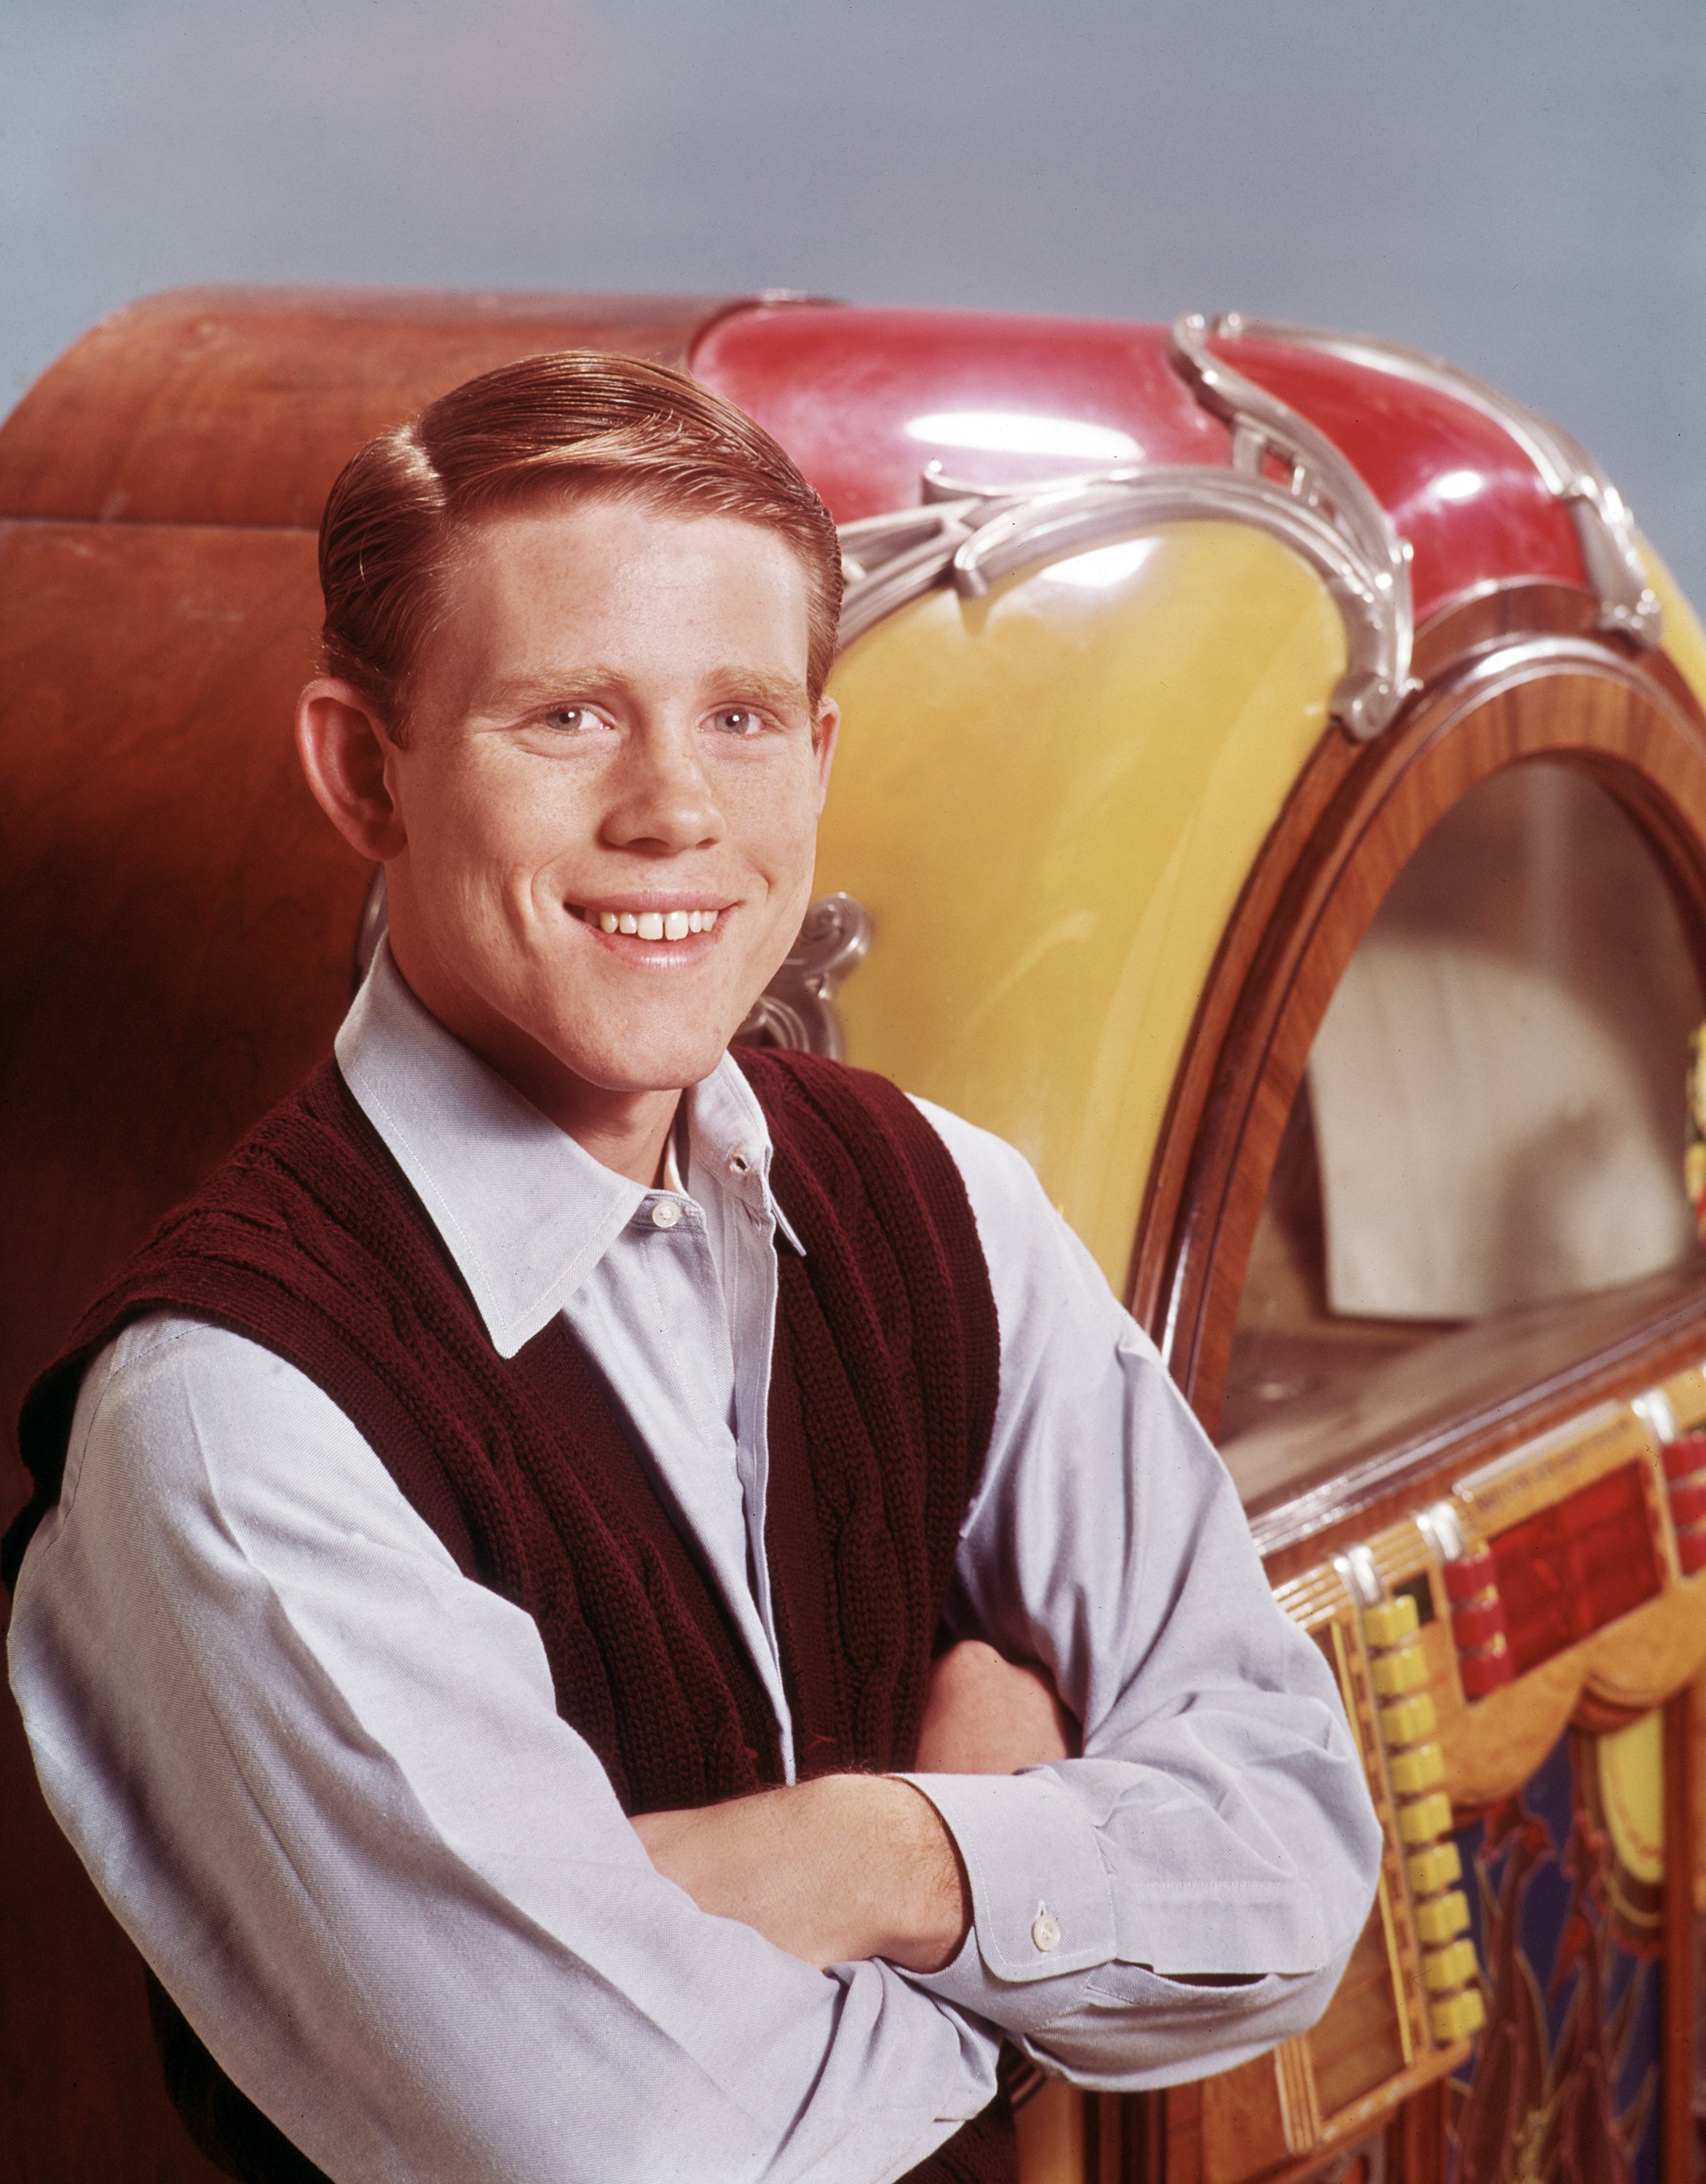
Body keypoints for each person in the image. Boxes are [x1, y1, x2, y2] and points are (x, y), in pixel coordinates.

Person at [5, 351, 1381, 2184]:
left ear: (817, 758)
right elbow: (626, 2153)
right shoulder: (233, 1426)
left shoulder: (938, 1201)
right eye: (567, 717)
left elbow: (1294, 1865)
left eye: (740, 717)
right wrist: (1050, 1899)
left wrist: (884, 1853)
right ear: (366, 772)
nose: (673, 812)